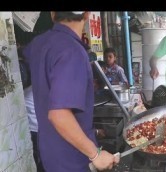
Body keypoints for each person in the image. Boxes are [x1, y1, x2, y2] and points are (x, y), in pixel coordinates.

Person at [22, 11, 119, 172]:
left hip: (49, 155)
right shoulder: (72, 51)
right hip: (72, 159)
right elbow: (59, 115)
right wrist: (96, 154)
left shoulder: (37, 44)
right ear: (87, 14)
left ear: (53, 14)